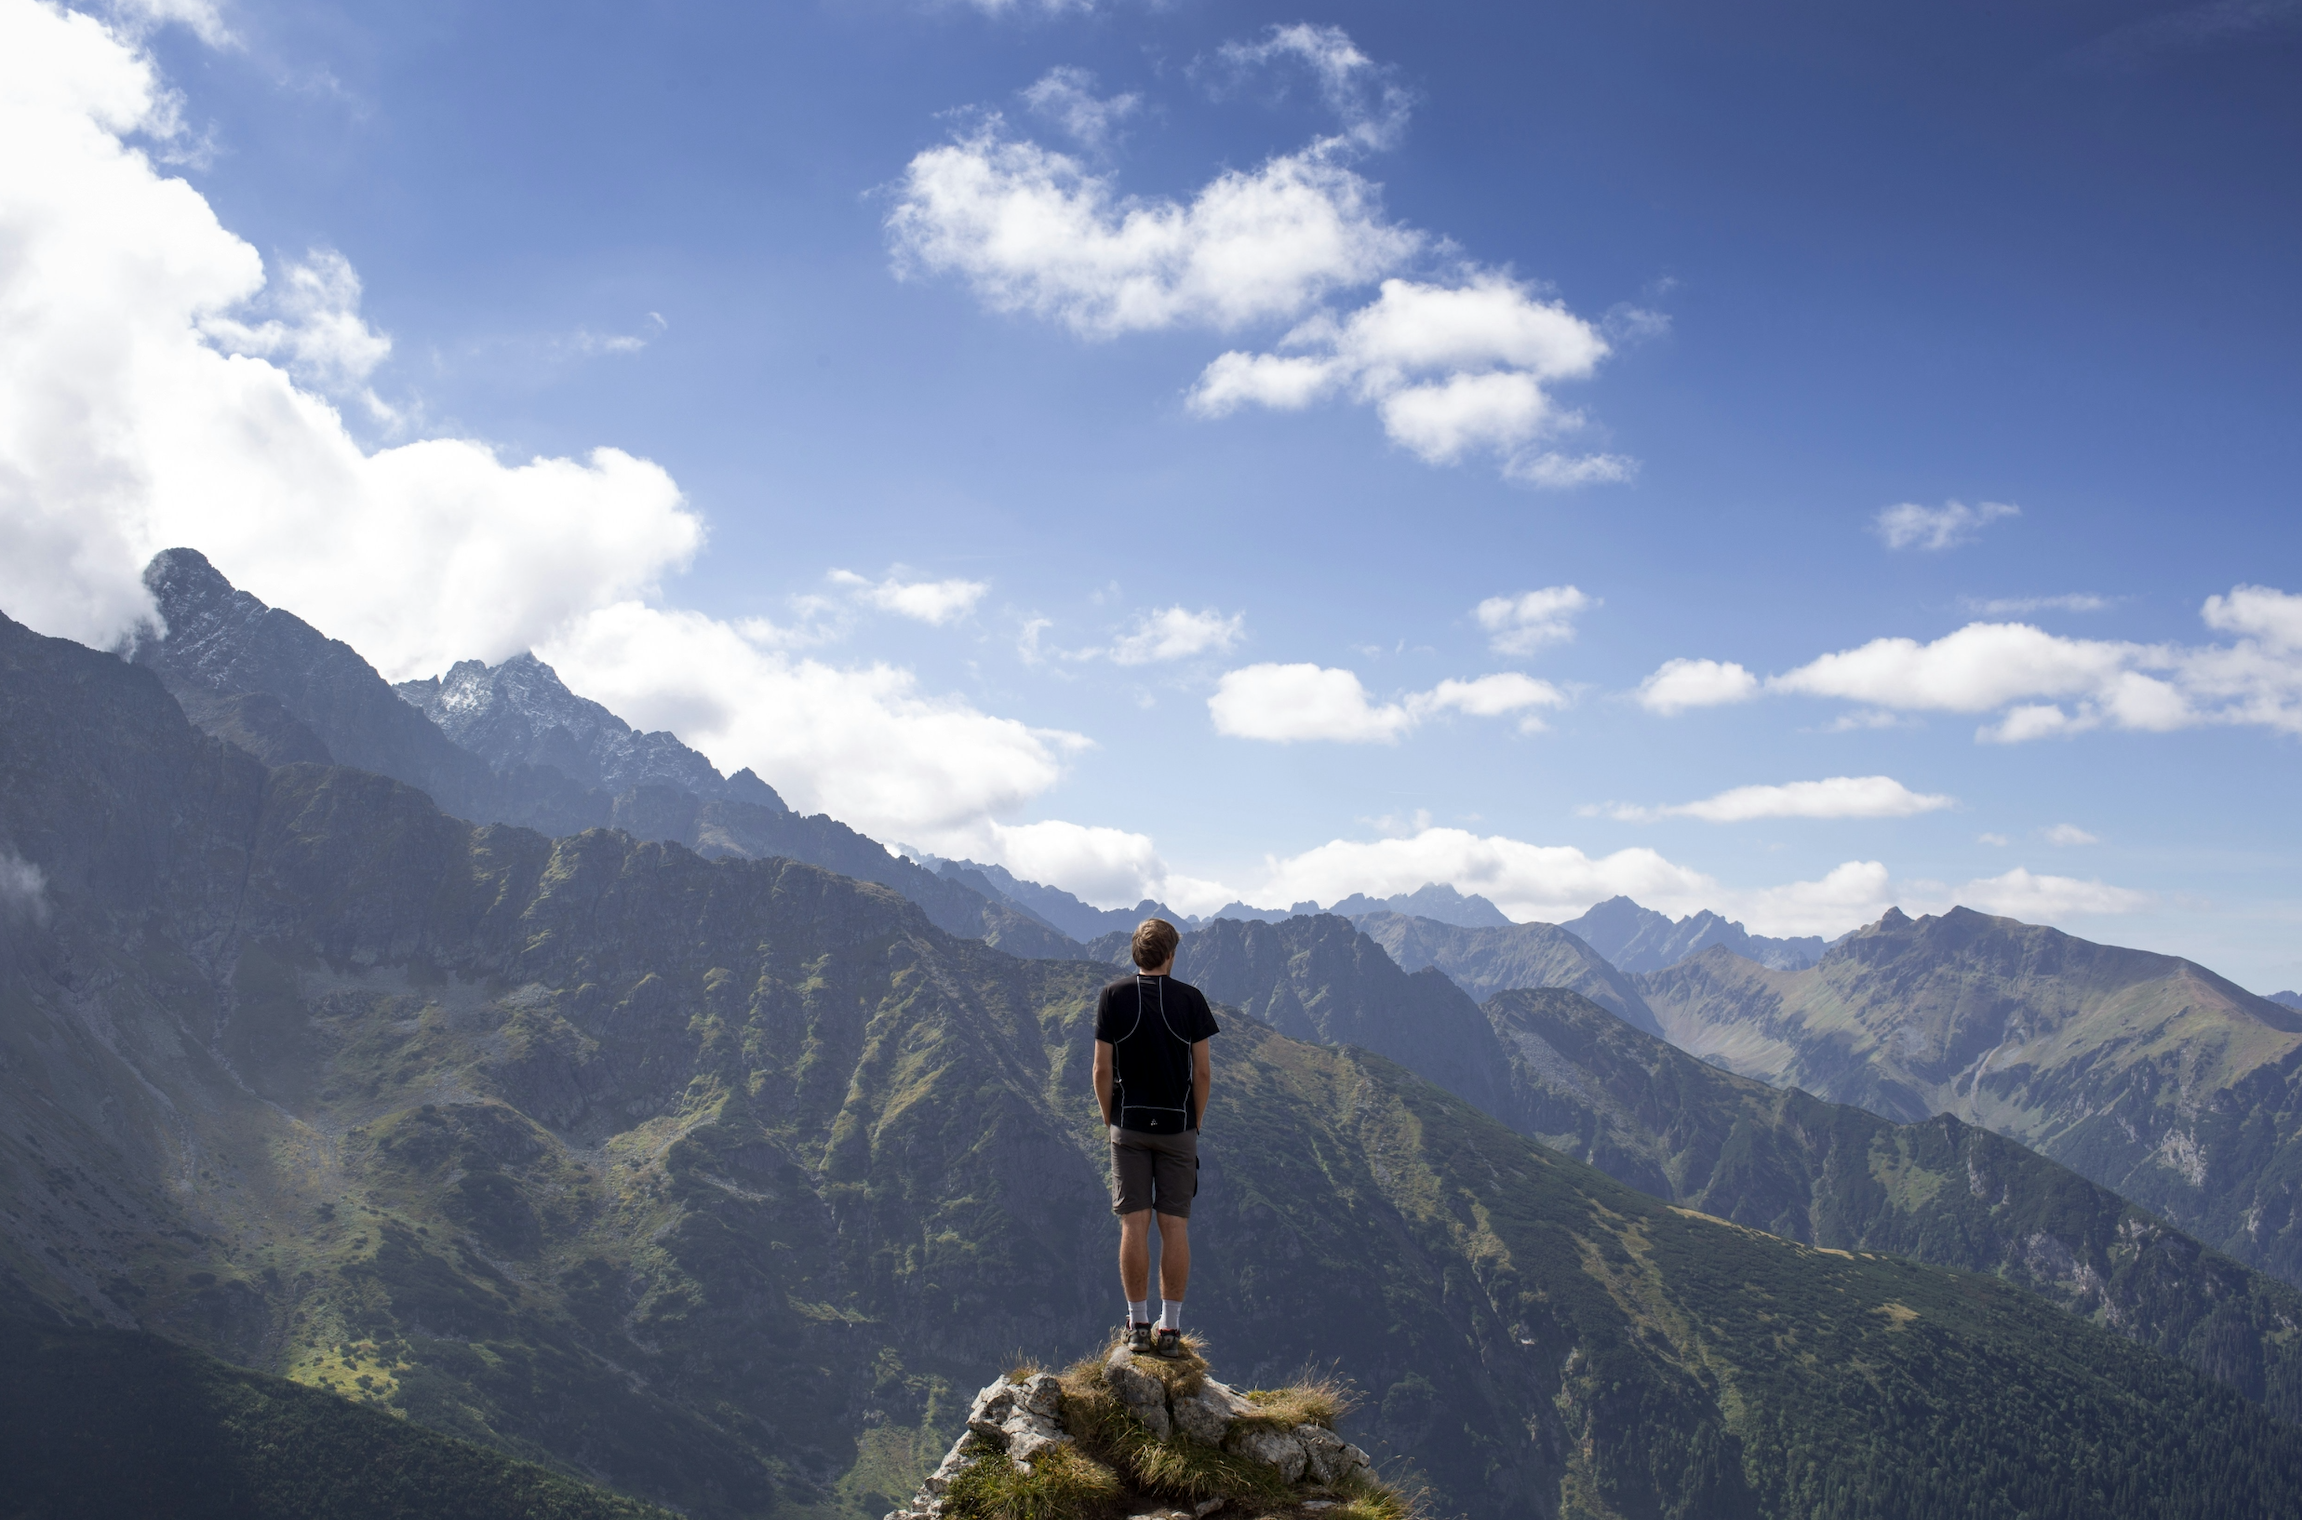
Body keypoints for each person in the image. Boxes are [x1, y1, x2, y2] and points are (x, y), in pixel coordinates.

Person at [1093, 917, 1219, 1359]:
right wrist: (1195, 1123)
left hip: (1127, 1125)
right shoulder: (1191, 1000)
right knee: (1173, 1226)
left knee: (1133, 1223)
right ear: (1170, 954)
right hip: (1177, 1127)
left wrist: (1113, 1120)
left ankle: (1137, 1324)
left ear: (1135, 954)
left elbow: (1101, 1070)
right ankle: (1171, 1330)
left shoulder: (1112, 997)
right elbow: (1201, 1072)